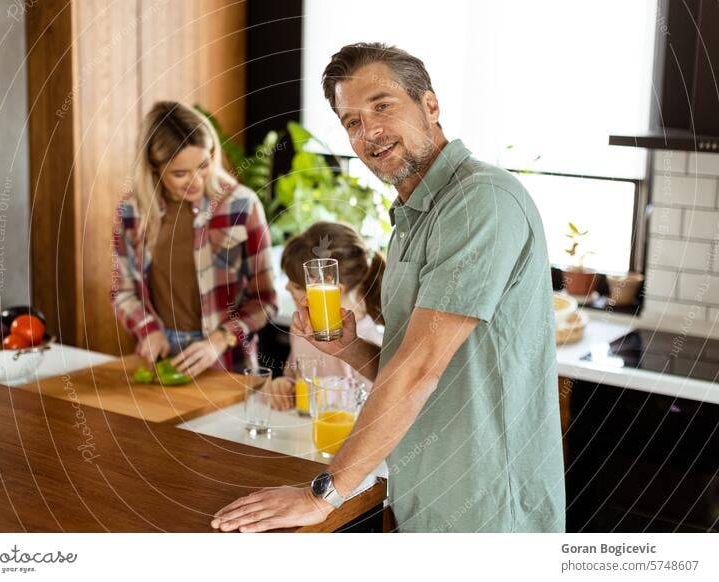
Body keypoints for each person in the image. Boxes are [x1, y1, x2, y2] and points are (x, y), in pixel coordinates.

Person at [212, 43, 565, 533]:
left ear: (431, 105)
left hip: (487, 509)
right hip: (425, 495)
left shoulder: (480, 200)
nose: (369, 131)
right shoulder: (413, 218)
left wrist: (325, 494)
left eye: (382, 105)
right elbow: (413, 367)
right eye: (351, 121)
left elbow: (421, 369)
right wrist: (350, 347)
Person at [111, 101, 277, 375]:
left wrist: (220, 338)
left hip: (228, 361)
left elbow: (266, 300)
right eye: (180, 174)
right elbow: (123, 291)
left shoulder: (242, 205)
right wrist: (147, 331)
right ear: (154, 168)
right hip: (161, 356)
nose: (196, 181)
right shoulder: (131, 212)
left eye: (204, 165)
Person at [269, 222, 385, 410]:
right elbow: (294, 374)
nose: (286, 287)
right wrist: (284, 384)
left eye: (297, 286)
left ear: (331, 291)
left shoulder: (369, 341)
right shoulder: (303, 325)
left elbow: (372, 406)